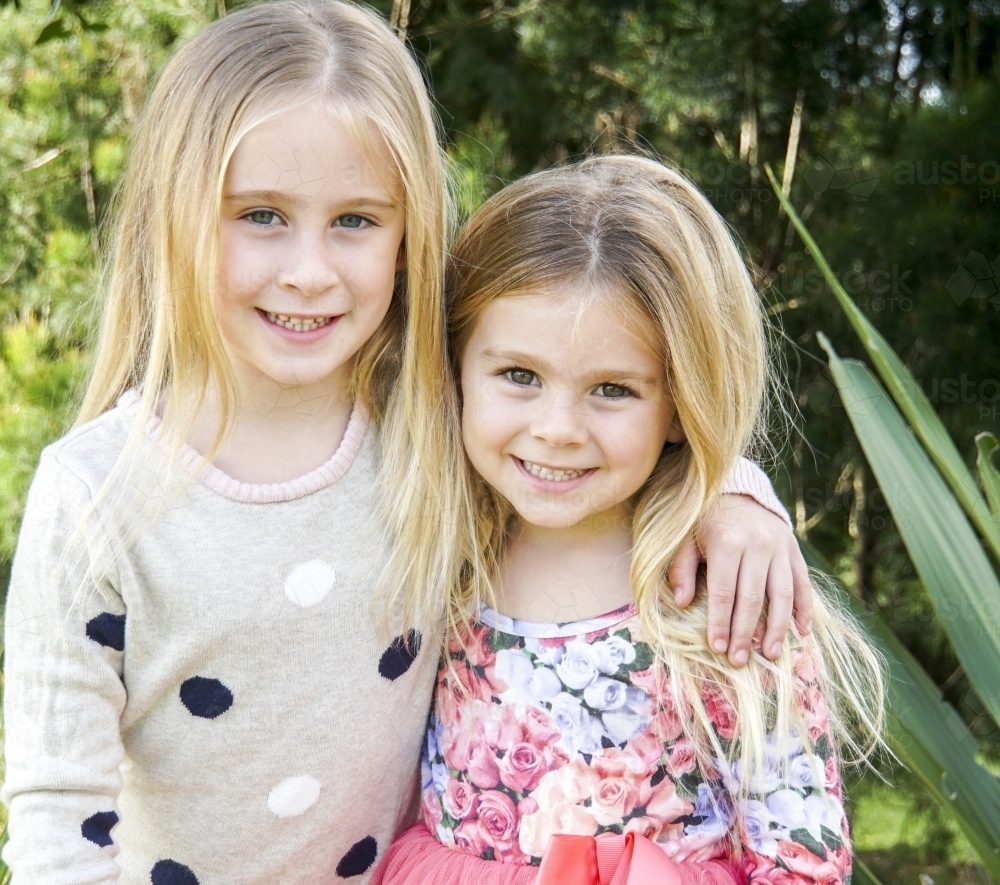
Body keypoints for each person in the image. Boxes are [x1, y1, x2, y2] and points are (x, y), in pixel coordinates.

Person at [2, 3, 807, 883]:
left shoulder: (427, 430)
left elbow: (587, 429)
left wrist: (732, 492)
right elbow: (57, 824)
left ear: (408, 233)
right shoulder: (93, 496)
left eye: (356, 221)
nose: (310, 270)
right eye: (261, 215)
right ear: (174, 213)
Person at [374, 156, 885, 885]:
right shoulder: (438, 544)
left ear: (680, 404)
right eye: (519, 375)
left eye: (612, 389)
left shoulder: (723, 594)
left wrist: (732, 485)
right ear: (454, 367)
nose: (556, 428)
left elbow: (802, 861)